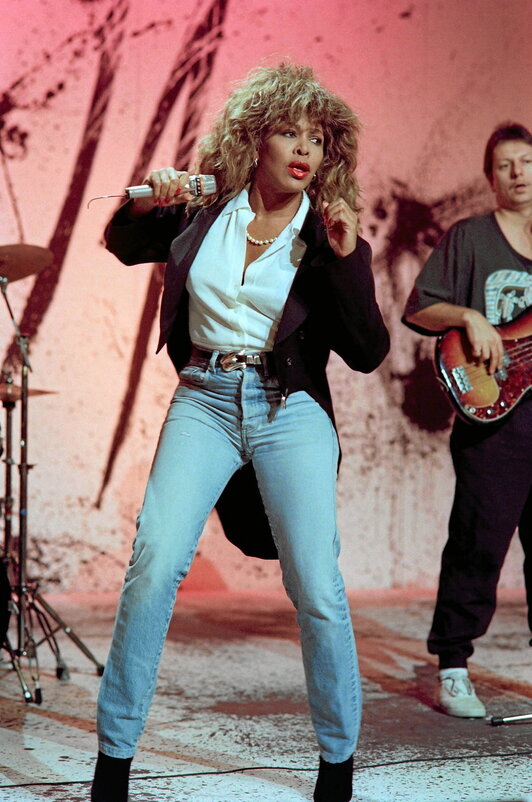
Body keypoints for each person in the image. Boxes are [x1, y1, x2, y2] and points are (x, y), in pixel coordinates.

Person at [91, 63, 389, 802]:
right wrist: (147, 198)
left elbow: (367, 350)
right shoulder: (206, 211)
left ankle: (338, 763)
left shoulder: (327, 233)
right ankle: (113, 762)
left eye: (318, 140)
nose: (304, 150)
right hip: (205, 397)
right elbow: (122, 244)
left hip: (288, 406)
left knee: (315, 582)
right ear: (254, 138)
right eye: (289, 132)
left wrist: (348, 259)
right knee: (154, 563)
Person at [403, 122, 532, 718]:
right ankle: (453, 666)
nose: (517, 173)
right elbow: (422, 308)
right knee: (479, 542)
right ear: (490, 177)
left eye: (526, 162)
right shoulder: (471, 238)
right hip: (492, 415)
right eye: (505, 165)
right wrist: (470, 317)